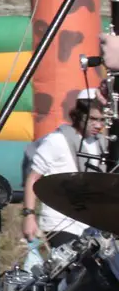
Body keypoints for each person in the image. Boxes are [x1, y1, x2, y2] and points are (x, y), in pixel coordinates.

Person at [23, 94, 105, 249]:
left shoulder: (100, 143)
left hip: (89, 222)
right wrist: (29, 215)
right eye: (93, 119)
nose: (98, 125)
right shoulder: (57, 140)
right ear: (79, 115)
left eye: (102, 120)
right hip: (60, 221)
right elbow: (33, 177)